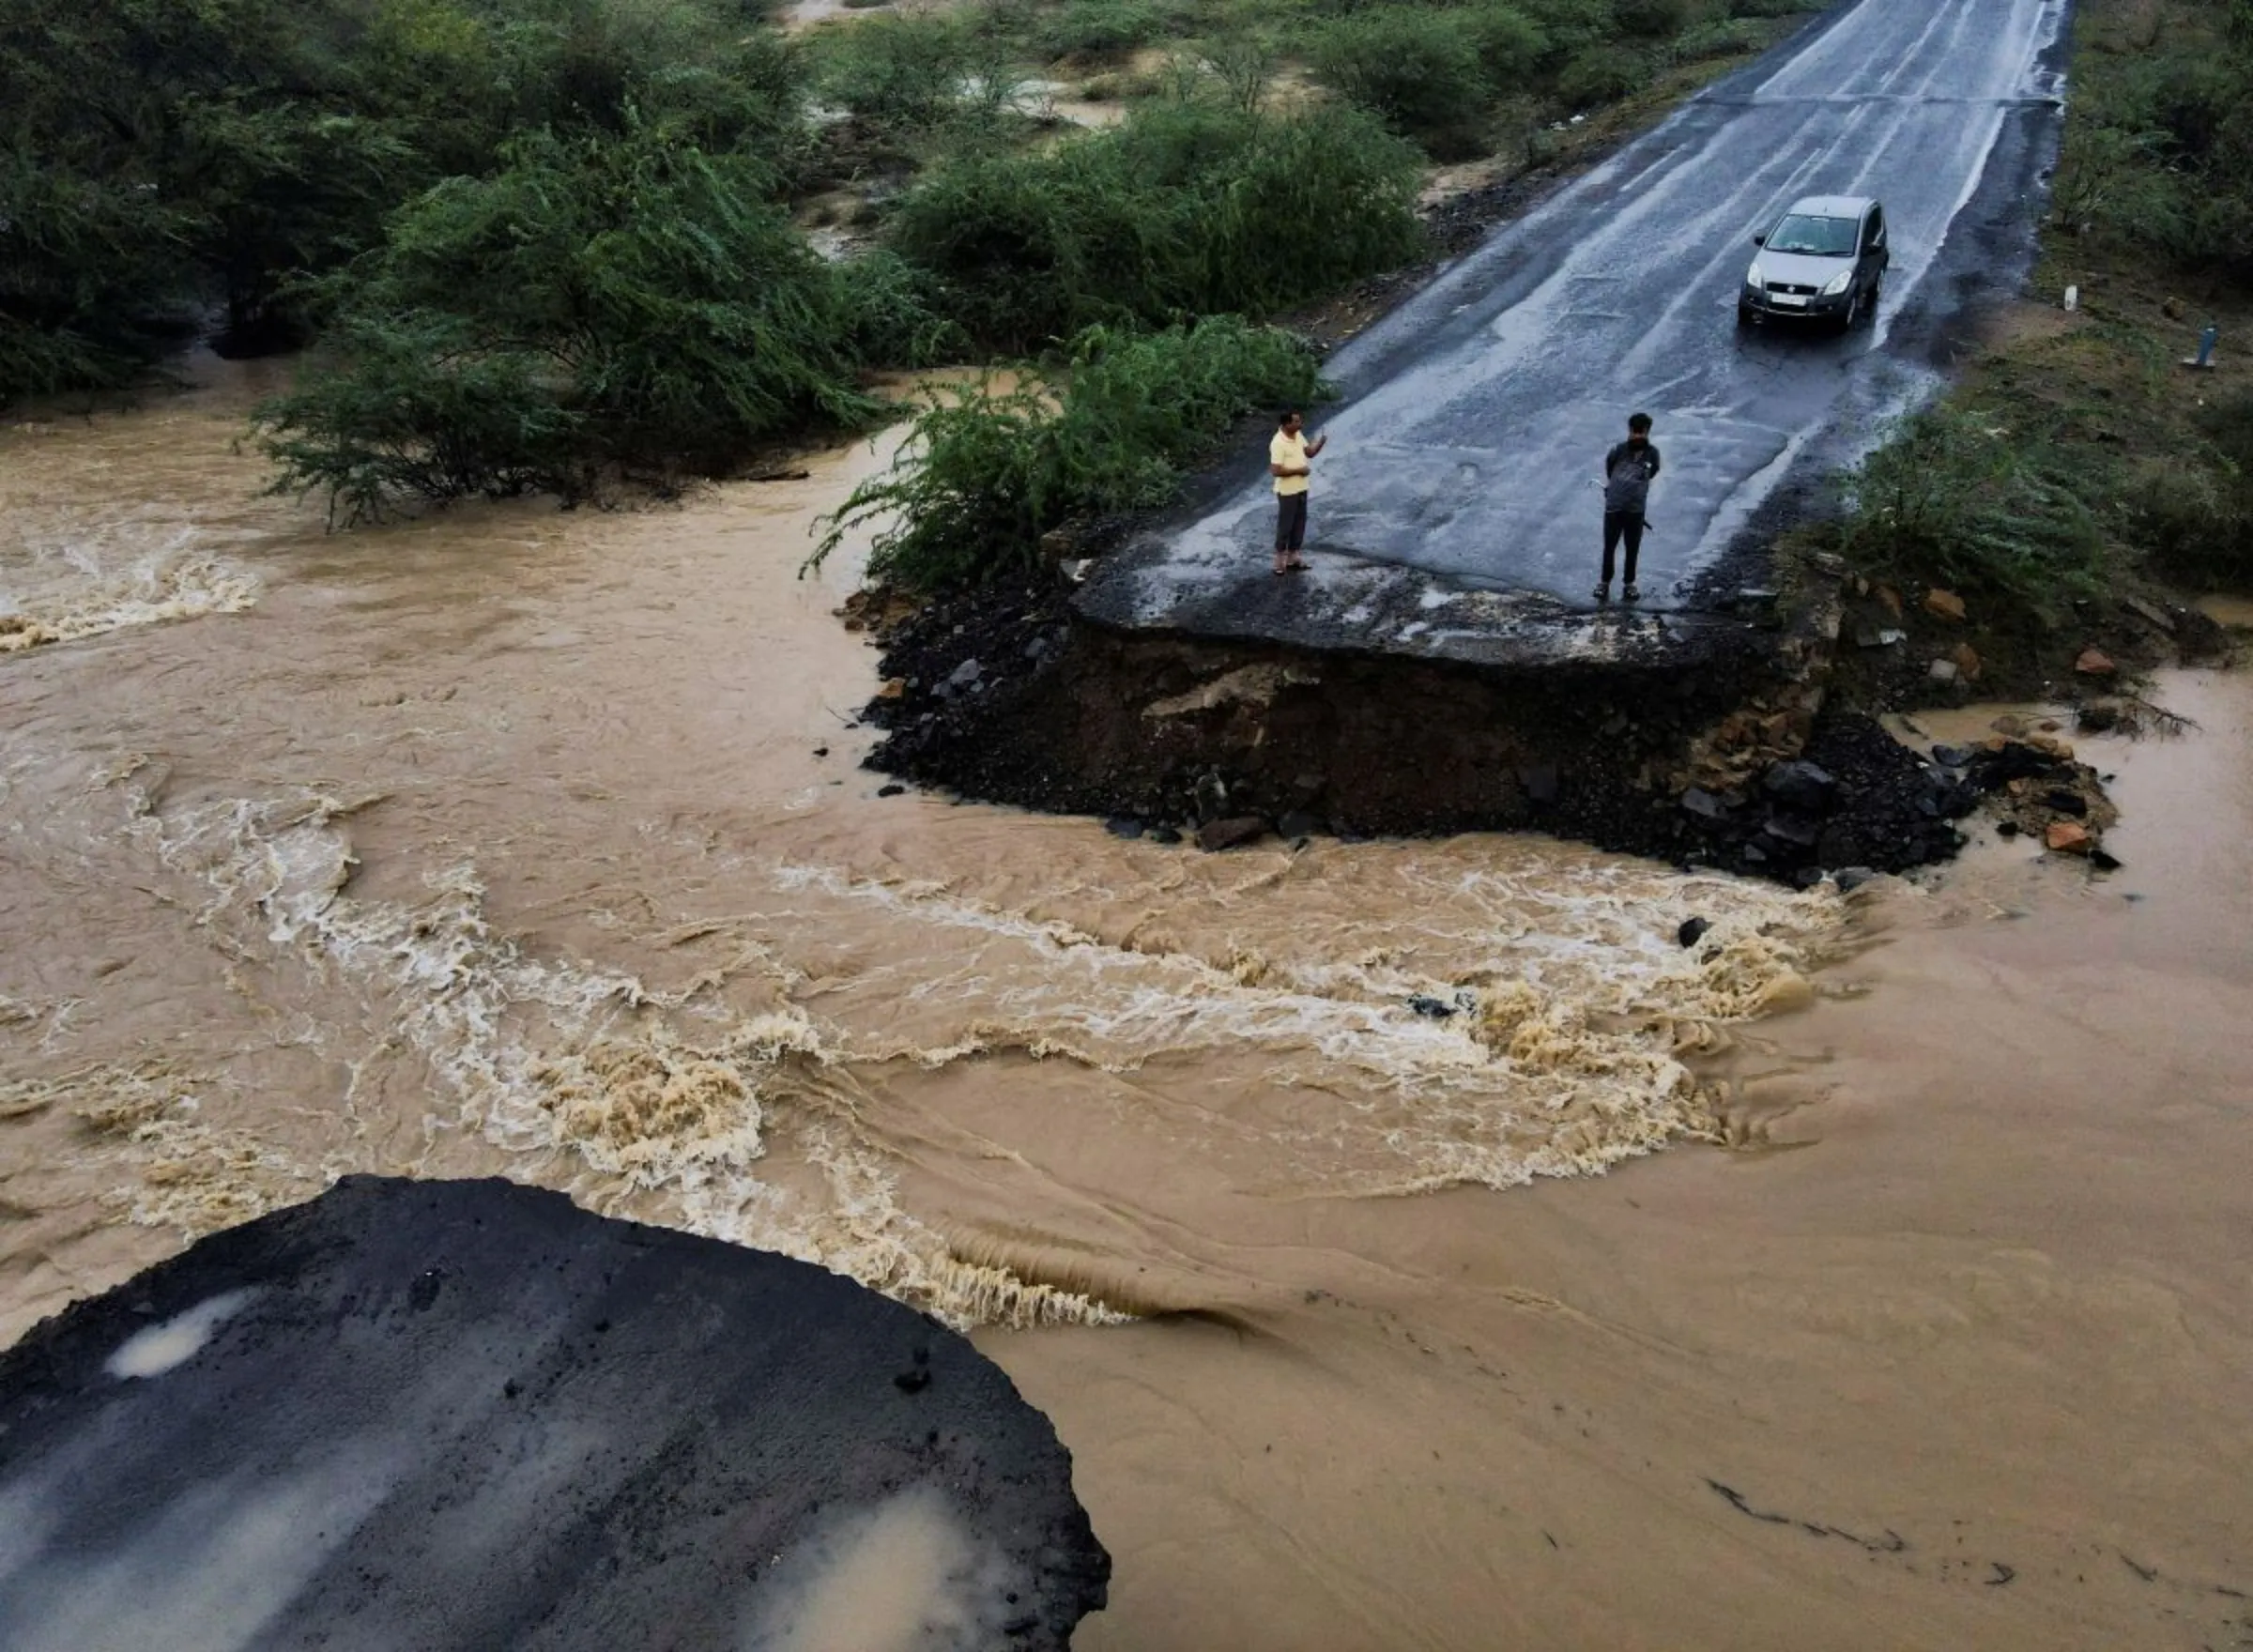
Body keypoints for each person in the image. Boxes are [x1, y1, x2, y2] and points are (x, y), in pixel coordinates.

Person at [1595, 410, 1661, 603]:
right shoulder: (1618, 451)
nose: (1638, 436)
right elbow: (1610, 469)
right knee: (1610, 546)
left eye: (1643, 432)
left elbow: (1653, 472)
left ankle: (1629, 584)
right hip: (1614, 508)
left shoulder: (1652, 454)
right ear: (1630, 431)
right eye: (1635, 432)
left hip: (1636, 510)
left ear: (1648, 432)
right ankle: (1604, 583)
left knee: (1632, 548)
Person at [1269, 409, 1326, 574]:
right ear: (1286, 424)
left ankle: (1294, 557)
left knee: (1299, 523)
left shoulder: (1298, 435)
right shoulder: (1278, 442)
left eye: (1299, 421)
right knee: (1285, 526)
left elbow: (1309, 452)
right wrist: (1299, 471)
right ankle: (1279, 561)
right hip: (1287, 491)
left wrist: (1320, 442)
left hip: (1301, 488)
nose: (1300, 424)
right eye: (1296, 422)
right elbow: (1276, 470)